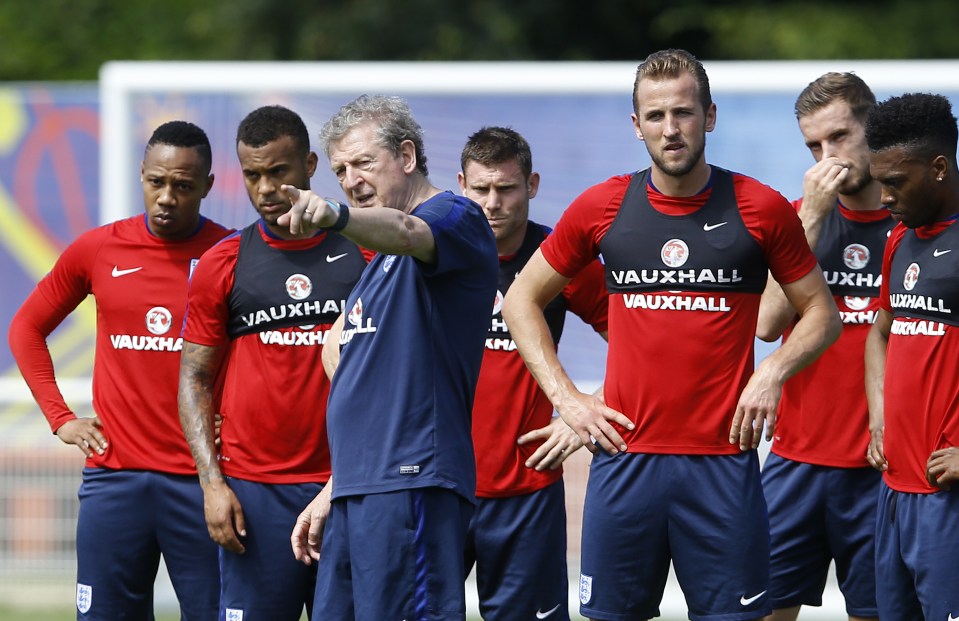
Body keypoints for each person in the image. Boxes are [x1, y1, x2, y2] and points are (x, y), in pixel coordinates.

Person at [502, 48, 842, 621]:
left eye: (683, 113)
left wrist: (770, 373)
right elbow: (520, 299)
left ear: (709, 116)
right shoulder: (602, 206)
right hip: (625, 461)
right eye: (655, 116)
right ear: (636, 126)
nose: (671, 129)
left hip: (722, 466)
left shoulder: (759, 208)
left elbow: (821, 315)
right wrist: (569, 400)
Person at [284, 94, 498, 620]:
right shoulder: (378, 266)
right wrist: (336, 489)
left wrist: (335, 216)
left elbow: (408, 232)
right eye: (339, 171)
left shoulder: (453, 215)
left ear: (406, 156)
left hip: (411, 480)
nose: (351, 180)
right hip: (360, 489)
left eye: (362, 163)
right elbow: (350, 364)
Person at [7, 120, 230, 620]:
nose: (167, 197)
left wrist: (238, 420)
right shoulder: (99, 249)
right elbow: (25, 329)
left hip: (203, 484)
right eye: (157, 182)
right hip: (115, 480)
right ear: (142, 176)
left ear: (208, 186)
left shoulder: (230, 255)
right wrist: (60, 417)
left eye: (183, 185)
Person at [177, 105, 366, 621]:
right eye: (253, 175)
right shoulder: (224, 260)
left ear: (308, 165)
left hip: (347, 487)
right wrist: (213, 485)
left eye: (277, 172)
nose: (264, 189)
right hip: (255, 494)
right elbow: (194, 376)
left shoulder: (363, 252)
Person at [457, 126, 608, 621]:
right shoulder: (438, 255)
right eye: (481, 189)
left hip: (528, 488)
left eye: (507, 188)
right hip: (441, 488)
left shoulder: (559, 258)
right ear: (462, 185)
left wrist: (582, 409)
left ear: (534, 185)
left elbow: (638, 342)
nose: (493, 203)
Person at [755, 73, 890, 621]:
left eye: (839, 137)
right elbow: (766, 322)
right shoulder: (796, 218)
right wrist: (809, 218)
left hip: (885, 467)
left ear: (871, 129)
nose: (827, 156)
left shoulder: (919, 225)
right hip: (796, 462)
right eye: (814, 145)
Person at [863, 92, 959, 621]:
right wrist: (880, 416)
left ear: (938, 167)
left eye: (896, 182)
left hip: (949, 497)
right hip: (896, 492)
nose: (883, 197)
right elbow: (880, 334)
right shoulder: (900, 239)